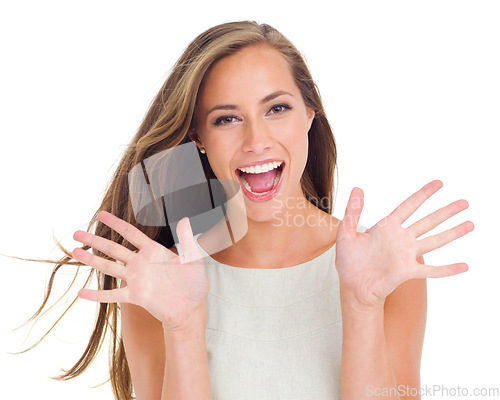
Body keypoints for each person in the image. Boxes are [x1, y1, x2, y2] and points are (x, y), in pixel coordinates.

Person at [21, 21, 473, 400]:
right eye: (226, 118)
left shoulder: (384, 268)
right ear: (198, 136)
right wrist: (183, 328)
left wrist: (360, 306)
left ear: (310, 114)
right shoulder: (159, 280)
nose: (256, 140)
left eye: (277, 108)